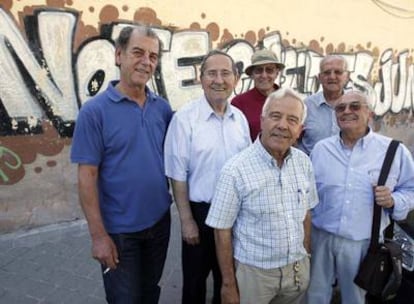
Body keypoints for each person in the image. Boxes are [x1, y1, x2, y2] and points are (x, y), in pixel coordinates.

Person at [70, 26, 173, 303]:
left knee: (151, 292)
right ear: (118, 55)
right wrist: (98, 236)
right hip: (119, 233)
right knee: (124, 299)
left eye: (153, 56)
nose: (146, 61)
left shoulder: (162, 108)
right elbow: (87, 176)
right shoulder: (94, 112)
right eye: (138, 52)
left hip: (160, 224)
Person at [206, 88, 319, 304]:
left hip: (296, 270)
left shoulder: (304, 162)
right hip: (254, 277)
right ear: (262, 120)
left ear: (300, 130)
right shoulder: (235, 170)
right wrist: (228, 284)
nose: (282, 125)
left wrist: (305, 255)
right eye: (276, 116)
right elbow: (222, 231)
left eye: (292, 120)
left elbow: (306, 213)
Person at [306, 91, 414, 304]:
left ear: (369, 114)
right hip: (321, 238)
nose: (346, 111)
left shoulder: (393, 151)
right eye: (340, 108)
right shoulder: (321, 150)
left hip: (363, 243)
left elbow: (411, 189)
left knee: (355, 298)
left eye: (355, 106)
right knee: (314, 295)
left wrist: (393, 201)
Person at [164, 50, 251, 304]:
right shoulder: (184, 119)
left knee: (228, 280)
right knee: (194, 284)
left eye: (225, 73)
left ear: (235, 79)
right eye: (211, 73)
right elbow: (177, 174)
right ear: (201, 79)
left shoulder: (240, 120)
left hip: (235, 214)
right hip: (201, 214)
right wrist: (187, 220)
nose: (218, 80)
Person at [297, 54, 349, 155]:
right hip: (312, 169)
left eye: (338, 72)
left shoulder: (356, 107)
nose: (332, 76)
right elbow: (294, 139)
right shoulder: (305, 107)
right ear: (320, 78)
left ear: (347, 77)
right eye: (327, 72)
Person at [232, 49, 285, 141]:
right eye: (259, 70)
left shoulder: (289, 100)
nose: (264, 75)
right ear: (252, 74)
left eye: (269, 70)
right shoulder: (239, 103)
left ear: (277, 73)